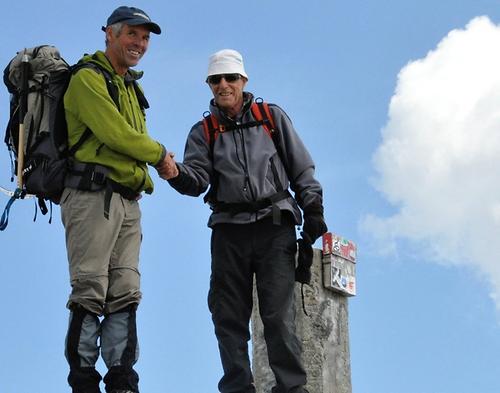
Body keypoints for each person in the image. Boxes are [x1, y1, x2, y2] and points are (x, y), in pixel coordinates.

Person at [159, 49, 327, 393]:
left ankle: (292, 389)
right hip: (228, 230)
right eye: (216, 79)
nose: (223, 85)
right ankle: (238, 388)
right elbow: (197, 180)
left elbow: (301, 167)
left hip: (274, 225)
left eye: (230, 78)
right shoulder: (203, 131)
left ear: (243, 80)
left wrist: (313, 210)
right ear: (209, 85)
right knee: (227, 317)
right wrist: (174, 173)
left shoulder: (271, 117)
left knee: (278, 317)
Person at [61, 6, 175, 393]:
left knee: (126, 291)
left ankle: (122, 379)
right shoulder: (87, 80)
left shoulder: (129, 86)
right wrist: (160, 157)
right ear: (109, 33)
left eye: (145, 38)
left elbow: (128, 143)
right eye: (132, 35)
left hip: (128, 202)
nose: (139, 44)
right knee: (90, 288)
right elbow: (118, 137)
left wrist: (147, 173)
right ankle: (84, 381)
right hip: (92, 196)